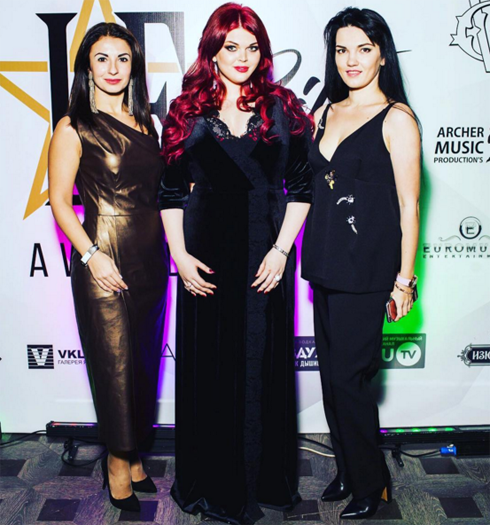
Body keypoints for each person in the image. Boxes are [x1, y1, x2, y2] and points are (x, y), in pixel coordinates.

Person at [158, 3, 313, 524]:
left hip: (267, 255)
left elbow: (303, 187)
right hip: (205, 257)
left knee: (261, 365)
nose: (242, 57)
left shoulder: (283, 108)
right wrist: (179, 256)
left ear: (262, 52)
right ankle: (213, 484)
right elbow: (170, 192)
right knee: (211, 367)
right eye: (231, 47)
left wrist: (282, 250)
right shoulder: (185, 111)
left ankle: (263, 480)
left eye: (252, 47)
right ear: (213, 51)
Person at [302, 7, 421, 520]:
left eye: (363, 49)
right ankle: (350, 470)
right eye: (342, 50)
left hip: (368, 273)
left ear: (382, 55)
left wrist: (404, 281)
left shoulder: (397, 119)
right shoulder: (325, 111)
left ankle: (374, 485)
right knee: (332, 380)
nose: (351, 60)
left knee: (350, 379)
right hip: (323, 263)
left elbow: (409, 206)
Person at [48, 22, 168, 512]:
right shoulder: (72, 127)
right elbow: (60, 202)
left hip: (151, 259)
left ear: (133, 66)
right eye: (102, 58)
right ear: (87, 67)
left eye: (123, 58)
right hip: (102, 259)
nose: (114, 68)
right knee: (113, 367)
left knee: (142, 364)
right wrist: (91, 256)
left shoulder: (148, 123)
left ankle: (134, 454)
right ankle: (117, 462)